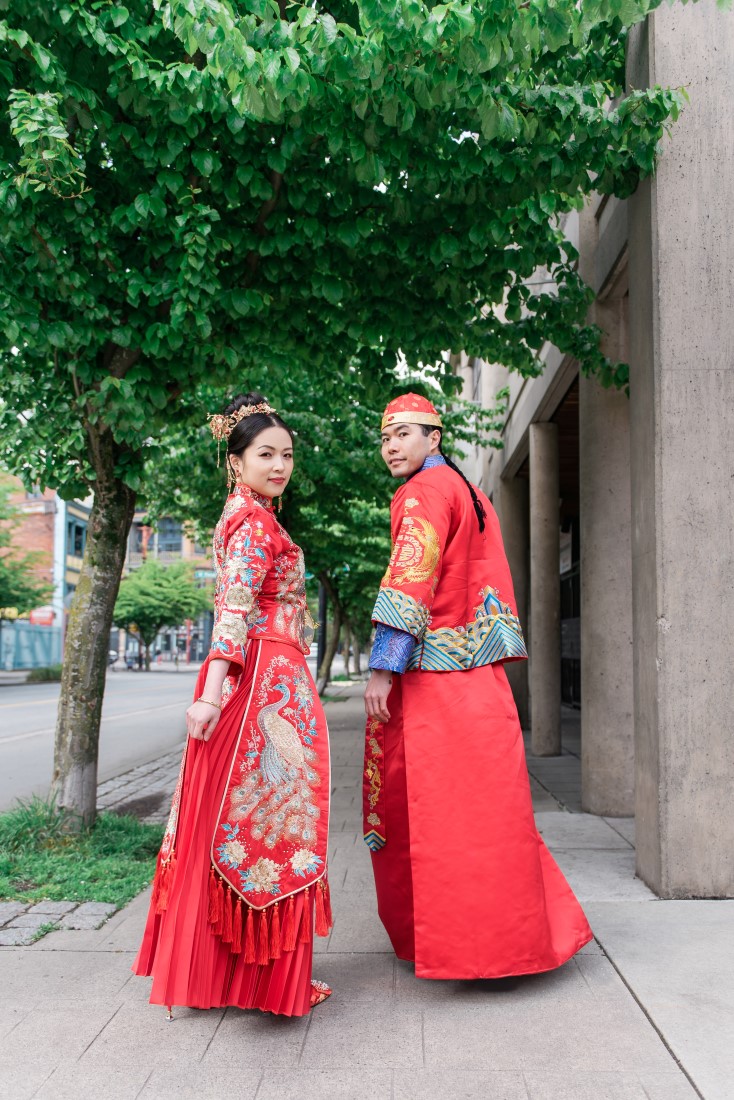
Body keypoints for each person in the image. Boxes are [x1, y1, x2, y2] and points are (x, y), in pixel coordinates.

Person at [363, 392, 592, 980]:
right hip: (479, 684)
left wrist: (384, 667)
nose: (391, 446)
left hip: (436, 688)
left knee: (436, 817)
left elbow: (410, 579)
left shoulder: (422, 494)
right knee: (488, 816)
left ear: (433, 437)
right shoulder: (469, 491)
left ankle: (465, 948)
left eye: (403, 434)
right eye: (385, 437)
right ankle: (513, 943)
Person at [133, 393, 333, 1017]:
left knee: (233, 826)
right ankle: (270, 981)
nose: (280, 465)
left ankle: (241, 978)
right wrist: (213, 695)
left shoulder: (253, 516)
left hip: (266, 679)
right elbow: (233, 610)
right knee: (269, 828)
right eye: (266, 454)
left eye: (288, 455)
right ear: (236, 460)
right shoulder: (252, 523)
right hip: (262, 682)